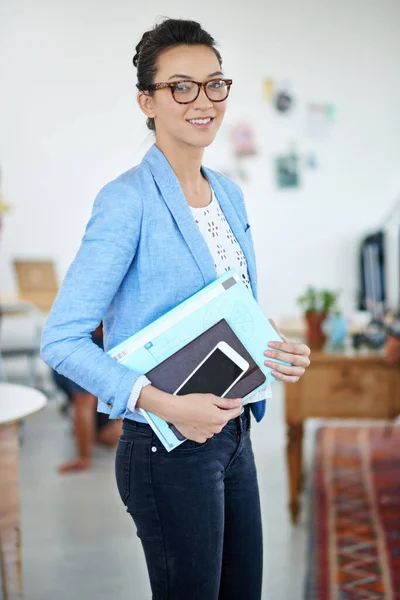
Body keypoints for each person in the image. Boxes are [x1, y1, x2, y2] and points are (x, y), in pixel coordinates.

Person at [41, 18, 311, 600]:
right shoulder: (126, 201)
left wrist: (276, 347)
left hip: (233, 432)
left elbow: (230, 311)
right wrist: (167, 406)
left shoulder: (229, 193)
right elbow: (61, 338)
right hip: (166, 447)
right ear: (148, 100)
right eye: (181, 86)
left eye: (215, 84)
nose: (203, 101)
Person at [52, 323, 122, 473]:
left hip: (97, 392)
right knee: (111, 436)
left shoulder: (113, 336)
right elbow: (83, 406)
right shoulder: (83, 350)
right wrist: (83, 457)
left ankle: (79, 420)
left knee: (112, 435)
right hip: (80, 393)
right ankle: (76, 419)